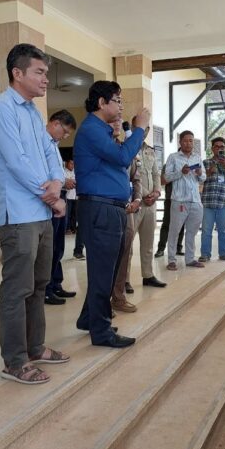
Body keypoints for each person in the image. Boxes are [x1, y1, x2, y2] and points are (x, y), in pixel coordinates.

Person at [0, 45, 71, 382]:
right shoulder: (0, 109)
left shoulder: (34, 113)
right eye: (39, 72)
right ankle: (15, 361)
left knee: (39, 284)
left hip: (41, 211)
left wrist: (57, 184)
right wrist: (51, 194)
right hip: (18, 214)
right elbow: (15, 160)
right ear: (17, 73)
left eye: (46, 73)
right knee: (17, 289)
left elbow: (51, 156)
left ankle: (35, 347)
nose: (45, 79)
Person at [74, 80, 149, 348]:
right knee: (103, 270)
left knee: (106, 269)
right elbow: (122, 159)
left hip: (110, 207)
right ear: (101, 103)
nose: (120, 106)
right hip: (101, 207)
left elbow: (120, 161)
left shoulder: (102, 131)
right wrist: (139, 129)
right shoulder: (92, 129)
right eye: (117, 100)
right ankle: (101, 331)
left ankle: (89, 318)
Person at [43, 110, 79, 306]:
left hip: (61, 198)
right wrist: (62, 181)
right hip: (49, 201)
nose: (65, 137)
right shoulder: (40, 141)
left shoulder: (53, 145)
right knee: (49, 248)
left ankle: (56, 283)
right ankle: (46, 288)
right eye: (64, 132)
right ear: (55, 124)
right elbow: (42, 173)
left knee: (58, 246)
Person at [128, 119, 166, 288]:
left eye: (144, 128)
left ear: (147, 130)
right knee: (127, 245)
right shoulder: (127, 148)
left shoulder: (150, 151)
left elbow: (156, 174)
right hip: (134, 203)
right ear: (132, 127)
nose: (141, 130)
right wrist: (141, 196)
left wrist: (157, 192)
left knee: (148, 242)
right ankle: (125, 279)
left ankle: (148, 275)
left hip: (151, 203)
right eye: (137, 127)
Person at [111, 120, 142, 314]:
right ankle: (100, 301)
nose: (116, 125)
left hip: (128, 209)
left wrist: (137, 199)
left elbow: (136, 178)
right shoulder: (100, 147)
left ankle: (119, 296)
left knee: (125, 253)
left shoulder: (127, 149)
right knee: (107, 257)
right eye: (111, 121)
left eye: (118, 122)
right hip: (108, 207)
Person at [164, 130, 205, 270]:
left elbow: (203, 178)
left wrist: (200, 173)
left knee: (192, 232)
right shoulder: (173, 157)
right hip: (179, 200)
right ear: (180, 142)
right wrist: (181, 172)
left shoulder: (197, 158)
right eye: (186, 140)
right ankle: (171, 260)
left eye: (191, 140)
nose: (189, 143)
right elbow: (166, 177)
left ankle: (190, 259)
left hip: (195, 200)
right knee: (174, 231)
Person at [199, 137, 225, 262]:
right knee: (206, 230)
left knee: (224, 230)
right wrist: (209, 172)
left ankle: (224, 253)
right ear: (212, 148)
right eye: (217, 146)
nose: (219, 148)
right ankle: (205, 254)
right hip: (208, 201)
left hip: (223, 202)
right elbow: (199, 179)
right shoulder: (205, 162)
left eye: (222, 147)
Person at [154, 159, 184, 258]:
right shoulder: (168, 166)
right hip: (170, 198)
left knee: (181, 225)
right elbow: (162, 181)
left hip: (184, 200)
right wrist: (178, 173)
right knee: (166, 224)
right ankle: (161, 249)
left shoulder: (189, 166)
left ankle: (178, 248)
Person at [65, 159, 77, 233]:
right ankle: (67, 228)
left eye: (73, 164)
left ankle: (73, 228)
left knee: (74, 214)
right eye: (71, 163)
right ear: (67, 164)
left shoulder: (75, 172)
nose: (72, 165)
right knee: (68, 214)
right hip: (68, 196)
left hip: (75, 196)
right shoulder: (64, 172)